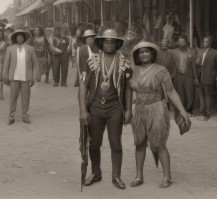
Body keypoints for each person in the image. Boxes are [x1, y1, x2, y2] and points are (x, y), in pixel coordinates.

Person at [129, 42, 191, 189]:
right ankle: (139, 176)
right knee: (139, 144)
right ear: (137, 55)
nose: (144, 54)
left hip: (157, 108)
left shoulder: (161, 70)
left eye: (146, 52)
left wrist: (182, 110)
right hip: (139, 110)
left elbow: (170, 91)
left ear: (152, 54)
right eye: (141, 52)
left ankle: (167, 177)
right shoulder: (133, 70)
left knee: (159, 144)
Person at [79, 29, 132, 190]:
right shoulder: (92, 61)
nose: (109, 44)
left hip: (115, 107)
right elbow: (83, 86)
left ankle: (116, 176)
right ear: (101, 43)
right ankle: (96, 172)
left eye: (112, 41)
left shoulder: (124, 62)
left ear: (117, 43)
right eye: (106, 41)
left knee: (116, 143)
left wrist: (129, 109)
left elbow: (128, 88)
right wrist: (83, 110)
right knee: (94, 143)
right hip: (95, 106)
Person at [2, 30, 39, 125]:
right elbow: (6, 64)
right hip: (14, 77)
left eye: (21, 37)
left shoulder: (30, 49)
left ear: (24, 38)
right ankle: (11, 117)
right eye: (17, 37)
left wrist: (34, 77)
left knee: (26, 98)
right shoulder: (10, 49)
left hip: (26, 77)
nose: (19, 39)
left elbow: (35, 64)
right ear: (15, 39)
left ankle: (25, 116)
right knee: (13, 97)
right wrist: (5, 75)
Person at [170, 35, 198, 114]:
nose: (181, 43)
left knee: (190, 93)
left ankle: (189, 109)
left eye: (183, 42)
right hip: (178, 75)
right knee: (179, 92)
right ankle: (181, 109)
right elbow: (171, 63)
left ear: (186, 42)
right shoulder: (174, 52)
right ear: (177, 42)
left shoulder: (191, 52)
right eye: (179, 42)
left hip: (188, 75)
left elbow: (193, 66)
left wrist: (195, 78)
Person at [194, 36, 217, 120]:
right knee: (201, 94)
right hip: (200, 75)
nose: (204, 43)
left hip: (209, 76)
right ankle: (202, 110)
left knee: (208, 94)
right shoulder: (199, 51)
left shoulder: (215, 52)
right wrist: (197, 62)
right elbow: (196, 62)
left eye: (207, 42)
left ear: (210, 43)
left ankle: (208, 112)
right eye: (204, 41)